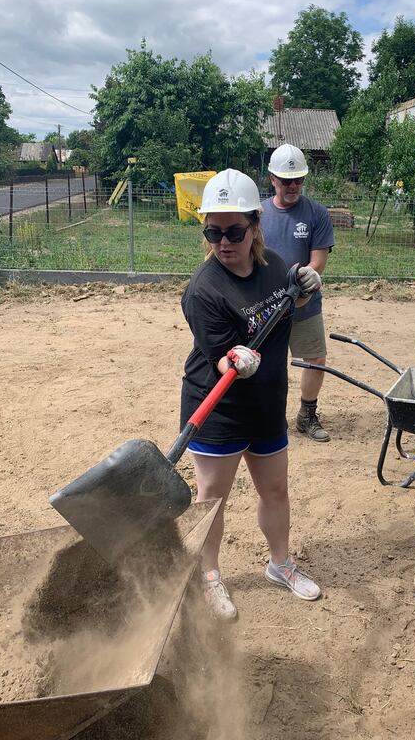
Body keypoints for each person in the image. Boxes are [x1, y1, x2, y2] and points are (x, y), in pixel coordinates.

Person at [180, 168, 323, 621]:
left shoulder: (276, 267)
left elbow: (285, 307)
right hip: (217, 408)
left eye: (235, 230)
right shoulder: (203, 290)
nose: (224, 241)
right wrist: (235, 359)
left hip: (265, 404)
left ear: (255, 226)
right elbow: (220, 358)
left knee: (275, 489)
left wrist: (303, 292)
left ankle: (280, 565)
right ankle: (210, 577)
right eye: (214, 231)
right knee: (211, 498)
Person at [261, 143, 335, 443]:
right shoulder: (258, 214)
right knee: (265, 363)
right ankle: (269, 416)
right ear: (272, 179)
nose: (292, 186)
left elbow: (318, 260)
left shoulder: (316, 213)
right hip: (265, 306)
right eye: (285, 180)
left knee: (315, 358)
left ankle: (307, 414)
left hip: (305, 303)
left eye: (298, 180)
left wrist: (308, 278)